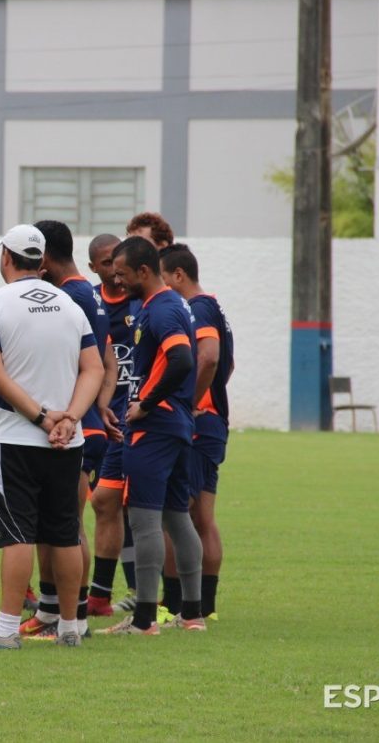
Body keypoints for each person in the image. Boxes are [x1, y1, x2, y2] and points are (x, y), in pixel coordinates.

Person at [0, 224, 104, 650]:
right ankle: (71, 627)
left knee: (17, 534)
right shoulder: (70, 304)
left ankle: (4, 632)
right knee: (65, 531)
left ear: (5, 258)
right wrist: (70, 419)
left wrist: (41, 417)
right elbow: (93, 368)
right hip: (66, 442)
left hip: (11, 436)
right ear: (40, 261)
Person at [100, 236, 206, 635]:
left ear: (144, 271)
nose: (118, 280)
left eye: (123, 274)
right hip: (177, 424)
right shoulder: (171, 304)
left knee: (144, 520)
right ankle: (192, 615)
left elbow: (181, 359)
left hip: (156, 427)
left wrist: (145, 403)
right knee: (177, 517)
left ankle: (144, 620)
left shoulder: (161, 309)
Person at [18, 220, 116, 639]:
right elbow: (107, 359)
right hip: (85, 422)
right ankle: (57, 612)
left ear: (44, 257)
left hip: (69, 426)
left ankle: (67, 616)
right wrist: (102, 405)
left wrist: (71, 414)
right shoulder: (91, 296)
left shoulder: (64, 297)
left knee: (62, 526)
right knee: (59, 524)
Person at [158, 243, 234, 622]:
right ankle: (202, 605)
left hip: (200, 425)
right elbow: (228, 365)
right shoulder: (213, 305)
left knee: (180, 515)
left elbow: (210, 357)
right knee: (199, 517)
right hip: (212, 422)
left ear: (177, 276)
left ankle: (177, 605)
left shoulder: (198, 307)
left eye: (161, 277)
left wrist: (189, 402)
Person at [84, 233, 140, 616]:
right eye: (106, 264)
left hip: (140, 419)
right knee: (108, 506)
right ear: (93, 268)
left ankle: (143, 592)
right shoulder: (88, 303)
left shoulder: (144, 301)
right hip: (102, 422)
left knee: (132, 508)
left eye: (117, 261)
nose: (115, 272)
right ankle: (105, 594)